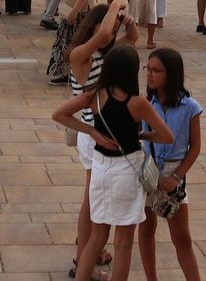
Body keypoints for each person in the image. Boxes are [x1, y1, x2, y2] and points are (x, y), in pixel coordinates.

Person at [53, 45, 174, 281]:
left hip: (100, 168)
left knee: (97, 237)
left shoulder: (95, 96)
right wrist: (142, 135)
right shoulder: (138, 103)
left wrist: (92, 131)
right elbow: (167, 136)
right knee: (123, 242)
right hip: (126, 171)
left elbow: (59, 114)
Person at [67, 1, 139, 278]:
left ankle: (90, 251)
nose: (111, 32)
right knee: (90, 200)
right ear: (94, 26)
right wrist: (116, 4)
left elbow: (132, 39)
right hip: (91, 132)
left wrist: (127, 22)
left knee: (93, 198)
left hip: (102, 131)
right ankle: (81, 258)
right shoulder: (80, 55)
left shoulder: (106, 55)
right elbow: (104, 35)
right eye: (108, 25)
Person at [137, 47, 203, 281]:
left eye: (157, 70)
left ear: (172, 74)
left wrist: (177, 176)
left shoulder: (190, 107)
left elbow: (195, 146)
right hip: (149, 171)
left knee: (182, 237)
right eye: (148, 69)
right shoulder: (145, 104)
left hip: (174, 172)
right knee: (146, 229)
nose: (150, 74)